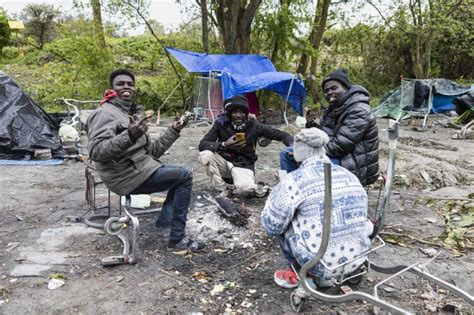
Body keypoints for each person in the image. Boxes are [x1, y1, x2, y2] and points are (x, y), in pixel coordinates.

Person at [86, 69, 204, 252]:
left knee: (178, 176)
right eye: (121, 84)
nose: (126, 86)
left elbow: (153, 151)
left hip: (139, 169)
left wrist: (174, 130)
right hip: (124, 176)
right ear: (112, 89)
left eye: (130, 84)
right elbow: (96, 152)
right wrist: (129, 136)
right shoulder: (104, 113)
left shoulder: (129, 114)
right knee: (184, 175)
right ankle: (176, 238)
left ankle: (165, 225)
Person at [262, 128, 373, 288]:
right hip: (358, 256)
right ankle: (346, 269)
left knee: (281, 217)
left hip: (319, 263)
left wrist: (278, 192)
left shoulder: (294, 181)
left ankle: (303, 273)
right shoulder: (348, 174)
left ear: (296, 153)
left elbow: (271, 226)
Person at [280, 68, 379, 186]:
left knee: (304, 158)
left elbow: (340, 146)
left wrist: (308, 154)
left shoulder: (358, 110)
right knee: (287, 153)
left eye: (334, 88)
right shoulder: (336, 106)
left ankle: (307, 190)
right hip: (337, 154)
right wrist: (313, 127)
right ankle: (293, 190)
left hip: (353, 161)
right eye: (326, 91)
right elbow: (326, 135)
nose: (329, 92)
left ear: (346, 88)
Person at [198, 95, 293, 197]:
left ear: (246, 113)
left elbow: (281, 135)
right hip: (224, 163)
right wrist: (224, 144)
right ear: (229, 114)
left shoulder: (254, 125)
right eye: (235, 112)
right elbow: (203, 144)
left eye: (241, 112)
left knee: (245, 190)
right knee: (205, 155)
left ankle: (261, 188)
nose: (238, 115)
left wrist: (292, 146)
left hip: (243, 164)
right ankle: (222, 189)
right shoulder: (221, 124)